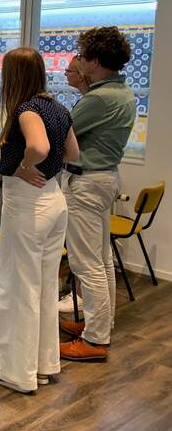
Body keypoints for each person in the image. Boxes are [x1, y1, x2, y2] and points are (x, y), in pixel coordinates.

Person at [0, 47, 79, 394]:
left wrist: (25, 166)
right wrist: (39, 163)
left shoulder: (26, 110)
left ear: (13, 77)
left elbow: (38, 147)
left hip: (28, 207)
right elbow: (73, 153)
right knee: (44, 285)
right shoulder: (58, 107)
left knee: (17, 286)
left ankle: (16, 372)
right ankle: (41, 365)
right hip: (54, 202)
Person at [59, 27, 136, 362]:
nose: (79, 60)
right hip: (105, 179)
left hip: (88, 183)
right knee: (102, 260)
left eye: (84, 55)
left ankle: (95, 339)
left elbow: (61, 130)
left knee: (86, 263)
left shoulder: (99, 99)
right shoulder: (123, 93)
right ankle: (98, 324)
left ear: (96, 60)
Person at [58, 54, 91, 315]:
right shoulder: (86, 101)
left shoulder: (91, 103)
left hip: (83, 181)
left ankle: (80, 301)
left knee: (83, 256)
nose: (65, 75)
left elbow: (63, 137)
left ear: (81, 74)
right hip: (82, 177)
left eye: (69, 71)